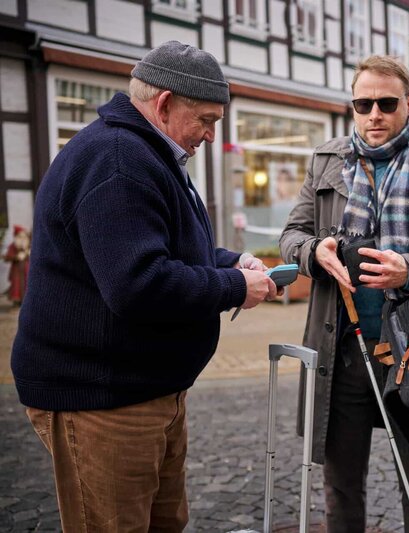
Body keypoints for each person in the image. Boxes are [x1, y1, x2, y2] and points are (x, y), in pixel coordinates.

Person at [11, 41, 280, 530]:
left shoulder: (145, 153)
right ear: (163, 103)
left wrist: (233, 262)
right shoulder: (118, 161)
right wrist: (235, 288)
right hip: (102, 397)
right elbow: (139, 284)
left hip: (145, 389)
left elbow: (166, 252)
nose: (210, 134)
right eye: (205, 119)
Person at [280, 55, 409, 532]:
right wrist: (314, 251)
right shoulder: (327, 159)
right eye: (362, 103)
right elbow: (292, 234)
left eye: (386, 103)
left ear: (408, 103)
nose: (374, 113)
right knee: (342, 487)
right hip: (343, 350)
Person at [4, 225, 31, 305]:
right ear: (16, 237)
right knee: (17, 285)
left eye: (24, 236)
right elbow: (7, 257)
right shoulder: (12, 246)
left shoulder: (29, 245)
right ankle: (17, 301)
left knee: (27, 283)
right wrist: (16, 257)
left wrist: (27, 254)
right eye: (20, 236)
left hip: (27, 269)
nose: (22, 238)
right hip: (16, 271)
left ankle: (27, 300)